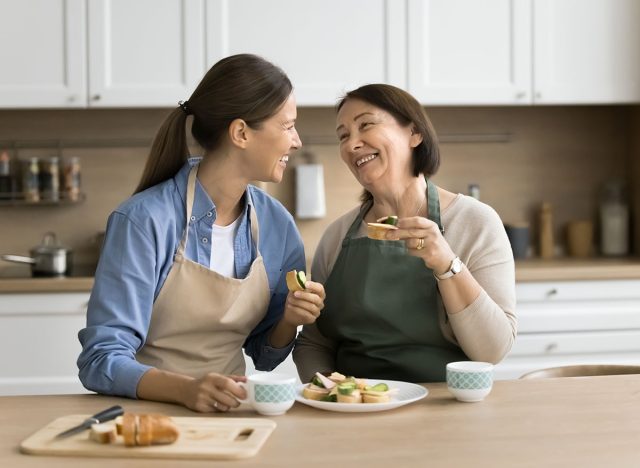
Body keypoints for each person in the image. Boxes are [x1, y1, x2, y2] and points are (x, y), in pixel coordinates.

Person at [78, 54, 325, 412]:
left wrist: (289, 319)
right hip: (147, 413)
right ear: (241, 133)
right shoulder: (144, 220)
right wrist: (186, 390)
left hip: (234, 411)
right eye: (287, 126)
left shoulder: (277, 225)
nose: (297, 141)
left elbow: (264, 356)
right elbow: (100, 360)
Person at [293, 84, 516, 383]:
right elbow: (313, 343)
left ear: (414, 133)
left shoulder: (475, 222)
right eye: (343, 135)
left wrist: (447, 265)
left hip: (447, 409)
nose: (351, 144)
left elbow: (493, 350)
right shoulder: (336, 237)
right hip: (359, 413)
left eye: (366, 125)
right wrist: (329, 390)